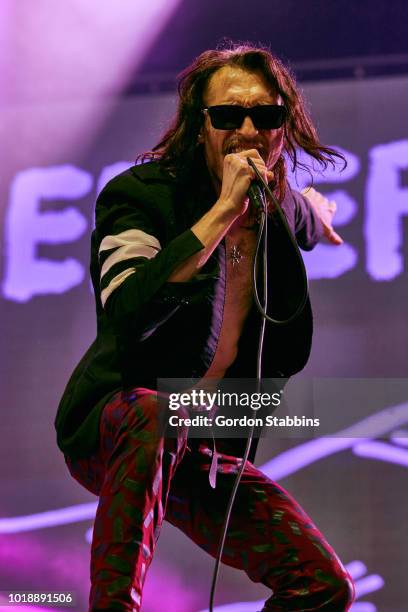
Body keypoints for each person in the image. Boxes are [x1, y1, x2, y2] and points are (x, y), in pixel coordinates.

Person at [55, 43, 355, 611]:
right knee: (156, 413)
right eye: (227, 116)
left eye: (265, 117)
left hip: (204, 449)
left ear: (281, 129)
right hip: (118, 425)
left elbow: (304, 217)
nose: (248, 129)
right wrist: (221, 214)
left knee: (324, 587)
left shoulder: (277, 206)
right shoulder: (139, 197)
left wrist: (318, 215)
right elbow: (128, 308)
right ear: (200, 127)